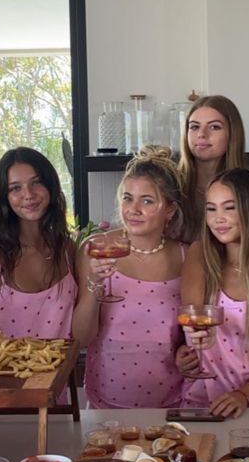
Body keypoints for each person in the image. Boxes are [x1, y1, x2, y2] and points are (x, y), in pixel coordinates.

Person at [74, 147, 187, 408]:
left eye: (147, 201)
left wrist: (188, 352)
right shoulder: (96, 248)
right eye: (127, 198)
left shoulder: (186, 256)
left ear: (170, 210)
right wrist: (95, 283)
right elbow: (81, 337)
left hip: (172, 403)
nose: (133, 209)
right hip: (106, 401)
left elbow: (190, 336)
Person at [176, 168, 249, 416]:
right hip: (200, 403)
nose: (218, 218)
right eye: (211, 208)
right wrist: (186, 347)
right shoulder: (202, 263)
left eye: (229, 207)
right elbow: (190, 323)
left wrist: (243, 395)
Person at [0, 147, 76, 342]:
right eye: (15, 188)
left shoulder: (68, 249)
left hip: (64, 373)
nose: (28, 194)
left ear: (50, 186)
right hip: (2, 372)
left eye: (36, 182)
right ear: (5, 198)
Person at [178, 95, 247, 242]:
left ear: (232, 134)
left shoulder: (247, 188)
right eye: (194, 127)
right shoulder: (170, 185)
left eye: (214, 127)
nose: (202, 134)